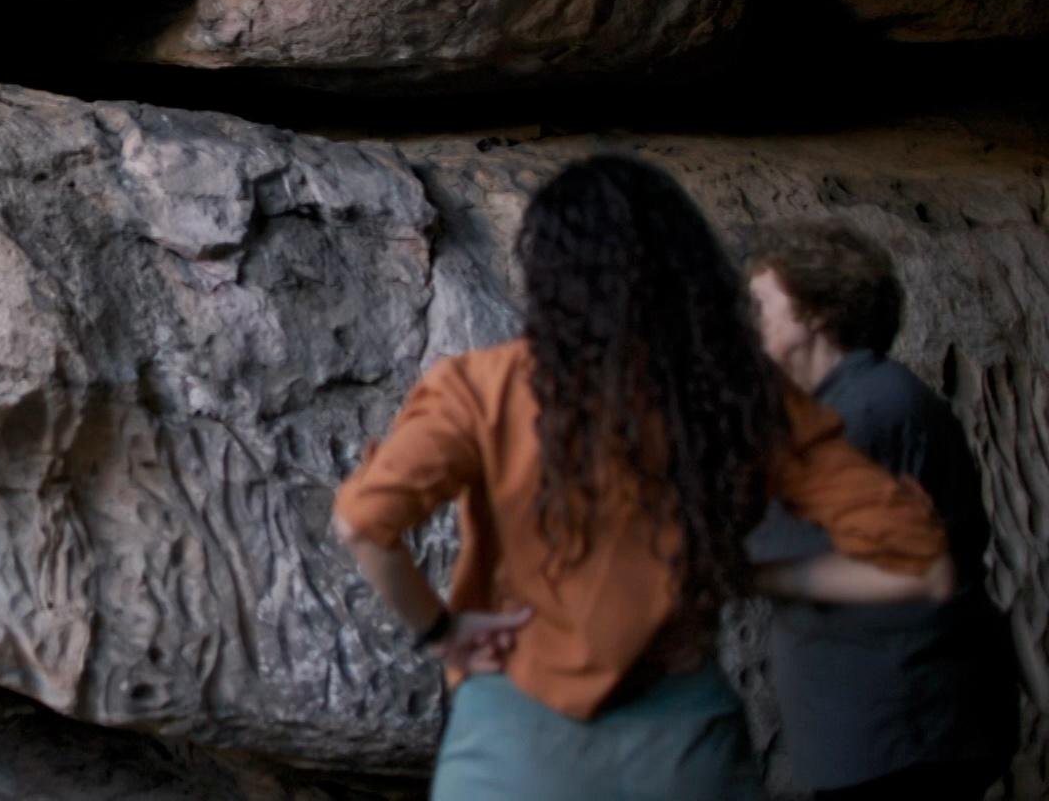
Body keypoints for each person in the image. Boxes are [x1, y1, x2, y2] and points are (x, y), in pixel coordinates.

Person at [333, 156, 953, 801]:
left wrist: (441, 630)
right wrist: (752, 575)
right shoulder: (744, 398)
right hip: (684, 745)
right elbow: (925, 567)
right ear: (689, 271)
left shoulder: (484, 388)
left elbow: (362, 524)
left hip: (514, 736)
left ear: (547, 273)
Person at [747, 221, 1017, 800]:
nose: (749, 321)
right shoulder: (862, 402)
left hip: (899, 728)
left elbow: (772, 546)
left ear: (817, 312)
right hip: (895, 726)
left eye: (763, 304)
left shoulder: (864, 414)